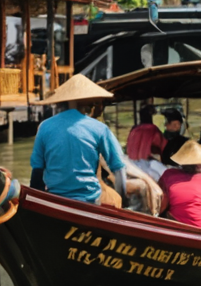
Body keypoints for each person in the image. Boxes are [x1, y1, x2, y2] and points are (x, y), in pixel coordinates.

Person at [29, 76, 128, 206]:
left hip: (55, 199)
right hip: (90, 201)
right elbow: (119, 168)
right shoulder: (99, 128)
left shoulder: (44, 127)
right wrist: (124, 200)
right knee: (115, 199)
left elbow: (37, 169)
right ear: (87, 102)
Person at [125, 104, 166, 177]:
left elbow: (128, 148)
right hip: (147, 169)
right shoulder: (153, 130)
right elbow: (162, 148)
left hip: (132, 168)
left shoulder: (134, 130)